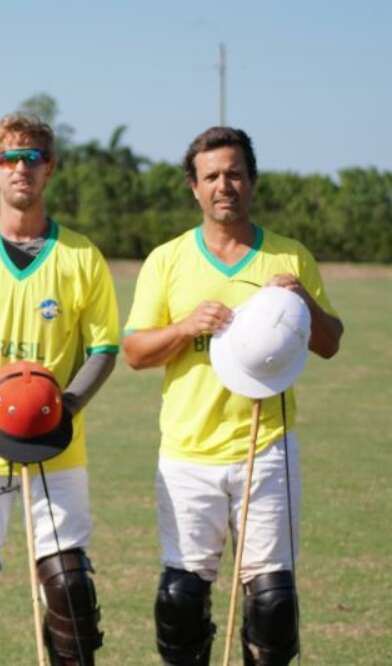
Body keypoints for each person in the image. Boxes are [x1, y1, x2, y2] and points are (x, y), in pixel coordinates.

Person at [122, 127, 344, 666]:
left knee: (271, 601)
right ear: (194, 188)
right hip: (187, 453)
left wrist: (300, 305)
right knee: (182, 598)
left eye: (235, 173)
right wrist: (183, 327)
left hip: (264, 447)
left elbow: (331, 343)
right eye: (212, 176)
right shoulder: (167, 260)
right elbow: (134, 351)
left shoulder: (289, 257)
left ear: (252, 181)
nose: (225, 185)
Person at [0, 113, 119, 665]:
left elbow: (103, 349)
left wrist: (68, 408)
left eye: (32, 157)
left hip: (57, 450)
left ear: (49, 169)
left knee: (69, 588)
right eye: (8, 158)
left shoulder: (81, 255)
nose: (20, 169)